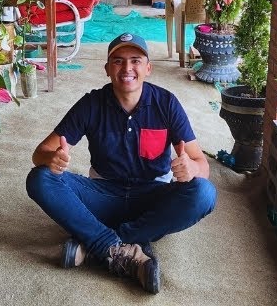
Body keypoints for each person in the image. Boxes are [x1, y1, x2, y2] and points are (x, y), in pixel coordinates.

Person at [26, 32, 217, 294]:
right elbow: (40, 154)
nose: (127, 68)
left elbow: (201, 165)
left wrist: (191, 168)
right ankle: (126, 249)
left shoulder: (166, 103)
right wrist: (53, 159)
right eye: (118, 61)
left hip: (152, 197)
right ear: (107, 69)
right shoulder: (92, 104)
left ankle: (96, 244)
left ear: (148, 68)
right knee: (40, 178)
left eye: (135, 61)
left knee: (204, 193)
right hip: (102, 195)